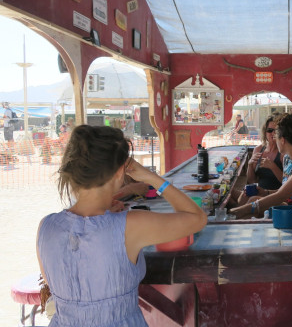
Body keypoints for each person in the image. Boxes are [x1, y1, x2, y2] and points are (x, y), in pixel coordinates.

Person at [36, 125, 207, 326]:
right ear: (120, 173)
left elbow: (58, 282)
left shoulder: (46, 227)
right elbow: (196, 218)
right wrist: (151, 178)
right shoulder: (130, 225)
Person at [230, 112, 292, 218]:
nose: (274, 139)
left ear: (282, 140)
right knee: (250, 199)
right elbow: (284, 189)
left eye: (276, 137)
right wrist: (265, 192)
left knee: (251, 205)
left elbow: (281, 196)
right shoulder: (288, 158)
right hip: (291, 205)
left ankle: (232, 219)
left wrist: (240, 210)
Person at [235, 114, 283, 206]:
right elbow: (251, 181)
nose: (273, 133)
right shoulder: (258, 150)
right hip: (258, 191)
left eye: (276, 131)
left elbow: (286, 183)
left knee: (248, 201)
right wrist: (250, 165)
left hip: (272, 194)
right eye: (270, 130)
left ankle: (235, 215)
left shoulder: (283, 153)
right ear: (265, 132)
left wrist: (273, 166)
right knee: (230, 193)